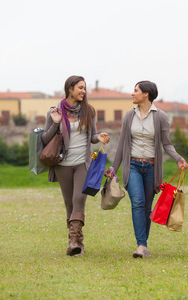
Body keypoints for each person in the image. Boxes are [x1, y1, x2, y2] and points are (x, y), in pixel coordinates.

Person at [104, 80, 188, 258]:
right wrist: (114, 167)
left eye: (136, 91)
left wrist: (178, 159)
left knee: (147, 207)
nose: (132, 93)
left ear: (146, 94)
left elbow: (166, 143)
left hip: (151, 167)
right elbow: (122, 146)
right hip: (132, 164)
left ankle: (144, 244)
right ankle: (141, 246)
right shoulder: (128, 116)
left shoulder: (161, 117)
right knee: (138, 203)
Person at [42, 75, 110, 257]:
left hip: (82, 163)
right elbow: (44, 139)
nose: (83, 91)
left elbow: (93, 135)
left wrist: (99, 137)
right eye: (80, 87)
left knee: (79, 198)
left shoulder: (89, 111)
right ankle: (77, 241)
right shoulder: (55, 111)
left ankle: (73, 242)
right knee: (69, 203)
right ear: (70, 88)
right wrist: (56, 123)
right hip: (62, 164)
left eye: (84, 88)